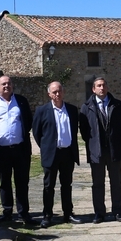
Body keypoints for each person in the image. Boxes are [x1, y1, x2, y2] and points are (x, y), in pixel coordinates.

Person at [0, 75, 35, 226]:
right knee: (5, 182)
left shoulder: (21, 101)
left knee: (22, 182)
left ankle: (24, 213)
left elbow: (28, 121)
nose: (6, 86)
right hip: (1, 151)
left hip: (20, 149)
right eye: (3, 84)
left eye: (9, 83)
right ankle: (7, 211)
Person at [32, 81, 81, 228]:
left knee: (67, 185)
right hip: (51, 153)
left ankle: (68, 213)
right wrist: (47, 146)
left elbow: (74, 130)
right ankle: (47, 215)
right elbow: (37, 132)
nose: (57, 94)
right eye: (54, 92)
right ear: (49, 94)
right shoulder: (42, 111)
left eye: (59, 91)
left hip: (67, 153)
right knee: (49, 186)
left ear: (63, 92)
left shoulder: (72, 110)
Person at [79, 77, 121, 223]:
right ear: (93, 89)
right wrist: (93, 143)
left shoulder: (117, 105)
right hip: (96, 151)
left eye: (104, 85)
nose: (102, 88)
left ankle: (118, 211)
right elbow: (84, 130)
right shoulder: (86, 107)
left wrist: (115, 140)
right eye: (99, 86)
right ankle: (99, 213)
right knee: (98, 183)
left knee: (116, 182)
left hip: (114, 150)